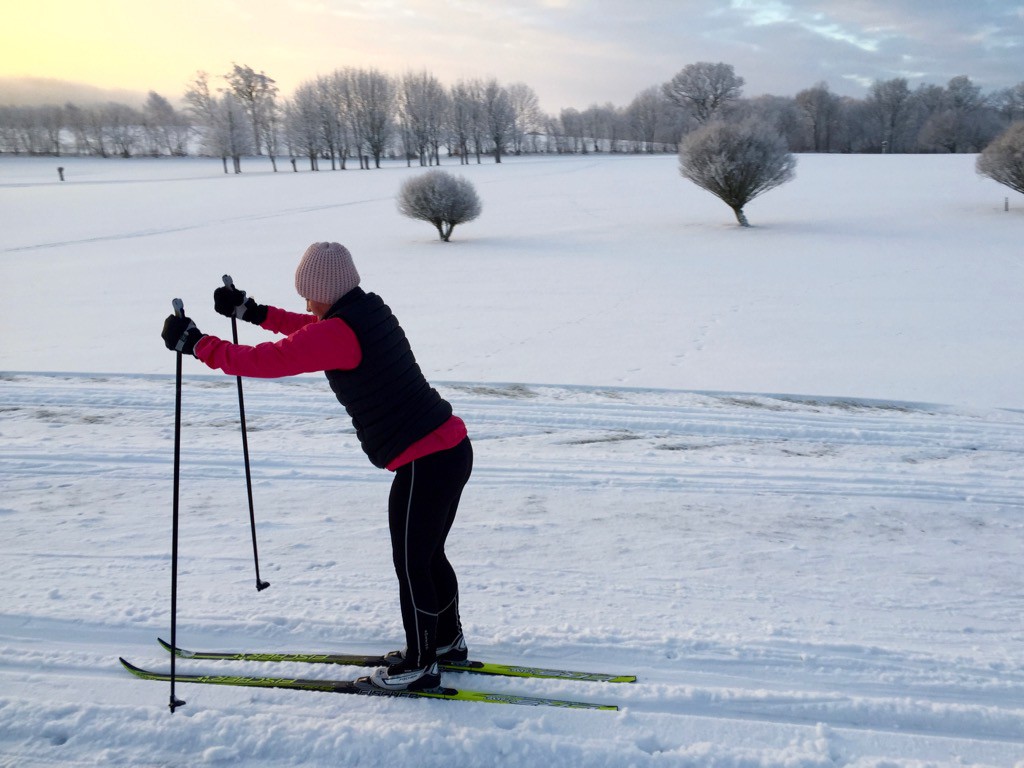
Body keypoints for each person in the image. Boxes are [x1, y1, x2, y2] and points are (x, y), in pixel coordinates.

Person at [161, 241, 472, 692]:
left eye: (308, 293)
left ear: (325, 290)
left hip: (428, 460)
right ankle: (447, 643)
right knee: (426, 556)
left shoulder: (338, 334)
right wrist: (254, 312)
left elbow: (264, 361)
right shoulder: (366, 312)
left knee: (412, 564)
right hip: (449, 449)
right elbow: (308, 326)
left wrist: (197, 344)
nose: (306, 302)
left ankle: (423, 664)